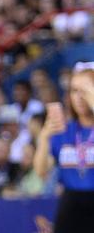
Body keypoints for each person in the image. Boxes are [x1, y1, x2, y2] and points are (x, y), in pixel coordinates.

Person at [33, 61, 94, 233]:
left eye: (86, 90)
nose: (80, 96)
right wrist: (44, 137)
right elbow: (41, 171)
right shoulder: (65, 131)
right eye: (75, 90)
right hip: (72, 203)